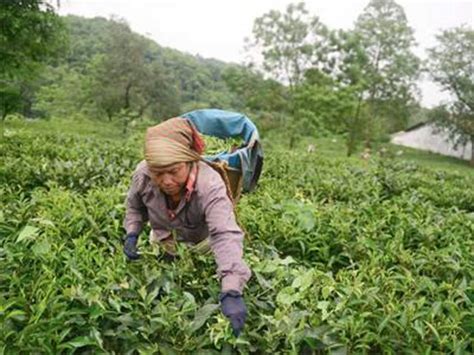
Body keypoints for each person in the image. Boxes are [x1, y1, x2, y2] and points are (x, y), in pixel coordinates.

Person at [122, 116, 251, 336]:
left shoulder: (210, 184)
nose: (166, 181)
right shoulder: (143, 173)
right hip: (164, 239)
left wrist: (231, 289)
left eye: (173, 171)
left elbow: (224, 234)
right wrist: (133, 232)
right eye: (158, 172)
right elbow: (135, 207)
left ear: (189, 160)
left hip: (203, 243)